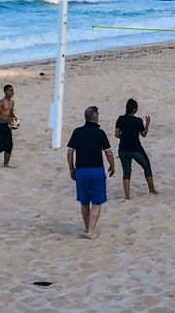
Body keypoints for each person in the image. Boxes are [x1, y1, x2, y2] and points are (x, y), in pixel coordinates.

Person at [66, 106, 116, 238]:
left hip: (81, 170)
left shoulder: (77, 132)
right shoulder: (100, 133)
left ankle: (86, 226)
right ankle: (91, 231)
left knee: (84, 201)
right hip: (96, 170)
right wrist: (112, 166)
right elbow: (109, 153)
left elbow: (70, 152)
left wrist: (71, 168)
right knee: (97, 202)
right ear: (95, 118)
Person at [115, 98, 157, 199]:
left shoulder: (120, 119)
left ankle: (127, 195)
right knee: (146, 166)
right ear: (134, 110)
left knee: (126, 172)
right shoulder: (138, 121)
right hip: (135, 149)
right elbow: (144, 134)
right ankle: (151, 189)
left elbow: (116, 134)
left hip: (123, 149)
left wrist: (124, 137)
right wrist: (147, 123)